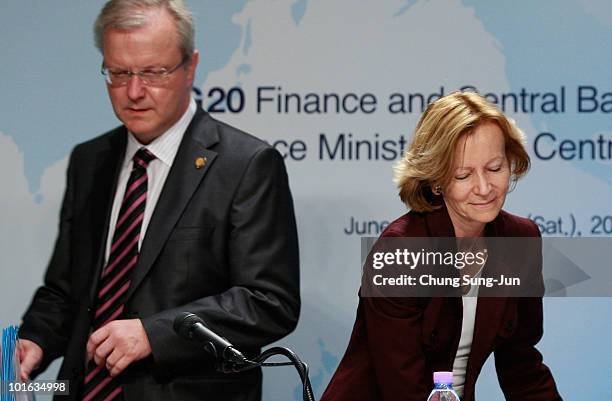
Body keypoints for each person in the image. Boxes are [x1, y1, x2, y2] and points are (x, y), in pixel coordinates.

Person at [17, 1, 300, 400]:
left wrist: (154, 334)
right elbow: (67, 290)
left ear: (191, 66)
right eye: (118, 73)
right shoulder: (89, 160)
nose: (134, 92)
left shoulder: (247, 165)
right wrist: (35, 340)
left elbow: (269, 301)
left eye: (153, 72)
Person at [321, 92, 562, 401]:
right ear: (436, 180)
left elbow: (521, 362)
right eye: (463, 174)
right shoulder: (400, 251)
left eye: (495, 168)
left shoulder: (521, 239)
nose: (485, 188)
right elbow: (401, 386)